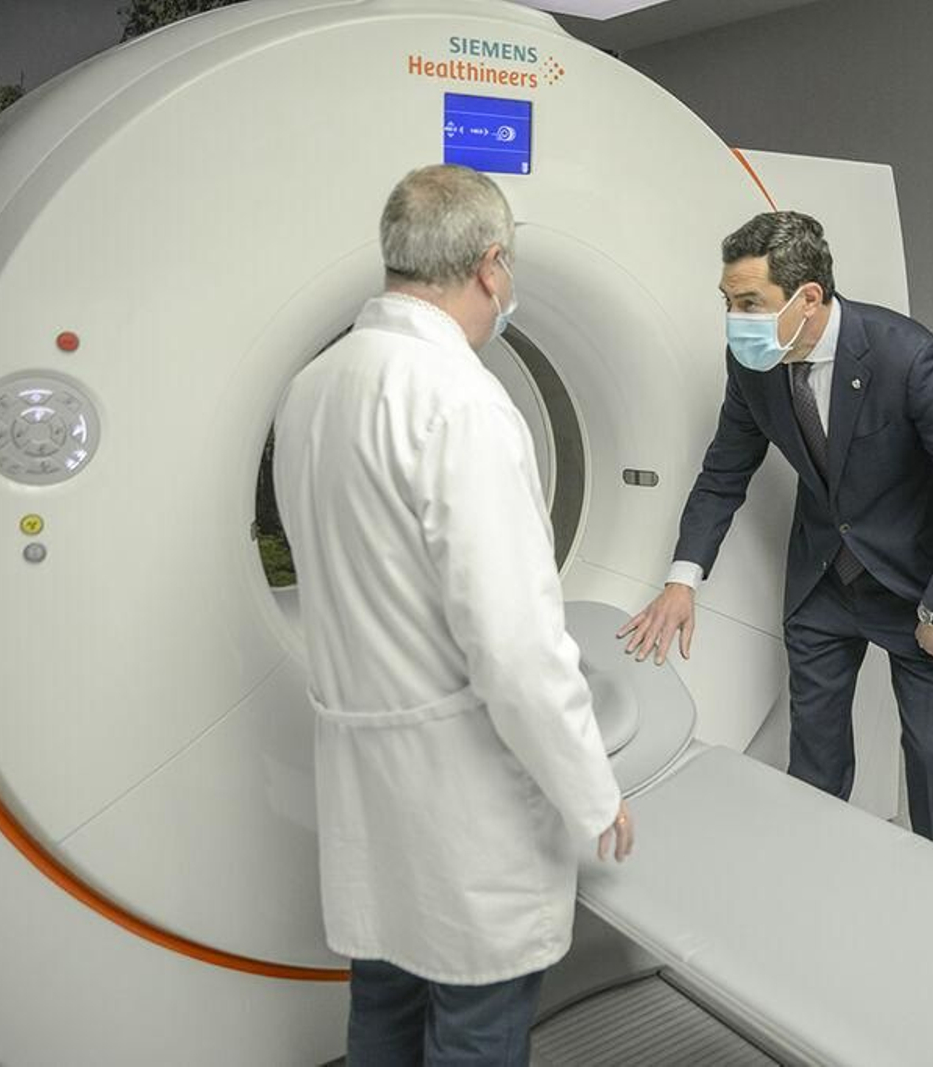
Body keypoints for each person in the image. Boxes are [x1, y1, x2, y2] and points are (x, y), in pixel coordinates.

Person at [274, 164, 633, 1066]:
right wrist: (592, 790)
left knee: (384, 1013)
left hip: (368, 784)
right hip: (463, 800)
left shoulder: (313, 389)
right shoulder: (464, 403)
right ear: (491, 265)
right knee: (476, 1028)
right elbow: (514, 645)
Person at [618, 211, 933, 856]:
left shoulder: (907, 356)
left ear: (808, 298)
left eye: (750, 302)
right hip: (823, 582)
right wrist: (682, 580)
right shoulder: (754, 363)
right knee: (815, 753)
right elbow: (724, 472)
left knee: (931, 745)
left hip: (919, 582)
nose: (735, 318)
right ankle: (815, 876)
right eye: (728, 301)